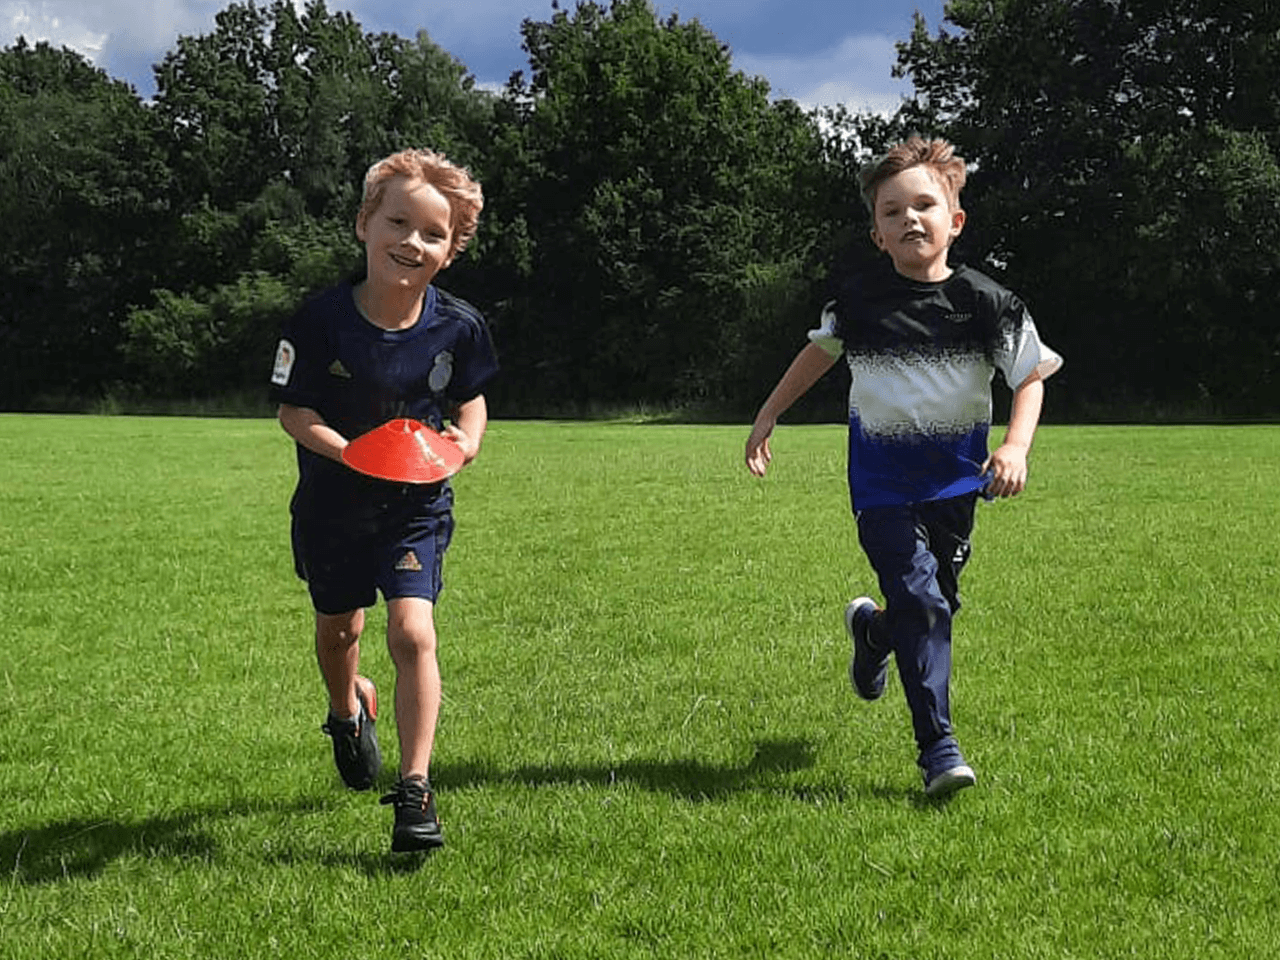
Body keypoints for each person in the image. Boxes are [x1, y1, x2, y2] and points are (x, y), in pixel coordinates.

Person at [744, 137, 1062, 797]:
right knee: (922, 599)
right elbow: (818, 354)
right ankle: (939, 752)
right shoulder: (859, 302)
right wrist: (769, 413)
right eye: (894, 212)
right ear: (877, 233)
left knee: (932, 603)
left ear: (956, 220)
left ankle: (873, 632)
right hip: (882, 486)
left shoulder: (987, 303)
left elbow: (1030, 377)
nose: (911, 219)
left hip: (956, 485)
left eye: (925, 205)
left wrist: (1015, 447)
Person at [269, 149, 498, 850]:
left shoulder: (458, 327)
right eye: (398, 222)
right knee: (342, 631)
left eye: (434, 234)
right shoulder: (319, 321)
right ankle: (347, 711)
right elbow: (292, 411)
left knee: (412, 633)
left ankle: (416, 790)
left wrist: (462, 443)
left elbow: (472, 402)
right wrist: (350, 451)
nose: (412, 242)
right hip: (334, 503)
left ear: (451, 251)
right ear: (365, 223)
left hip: (414, 505)